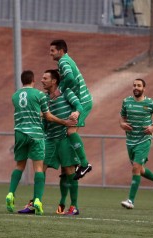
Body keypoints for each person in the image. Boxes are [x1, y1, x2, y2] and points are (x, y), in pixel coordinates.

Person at [5, 70, 77, 215]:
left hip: (21, 132)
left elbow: (26, 110)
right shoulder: (39, 95)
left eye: (45, 78)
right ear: (32, 80)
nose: (42, 80)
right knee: (39, 168)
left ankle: (11, 193)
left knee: (20, 165)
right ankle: (37, 200)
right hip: (38, 135)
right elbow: (47, 116)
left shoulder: (14, 96)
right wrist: (64, 122)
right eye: (41, 78)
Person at [50, 39, 93, 180]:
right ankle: (76, 163)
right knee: (70, 132)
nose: (50, 54)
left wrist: (60, 89)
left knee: (70, 130)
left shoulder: (63, 61)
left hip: (83, 101)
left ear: (61, 51)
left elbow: (70, 78)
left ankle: (84, 164)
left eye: (53, 51)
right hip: (81, 101)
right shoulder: (66, 60)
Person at [119, 78, 153, 209]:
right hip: (130, 141)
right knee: (140, 169)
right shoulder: (126, 102)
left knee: (135, 168)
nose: (136, 87)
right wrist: (122, 124)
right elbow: (122, 118)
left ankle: (130, 201)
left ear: (144, 88)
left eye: (139, 86)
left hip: (144, 140)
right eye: (134, 85)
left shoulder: (150, 103)